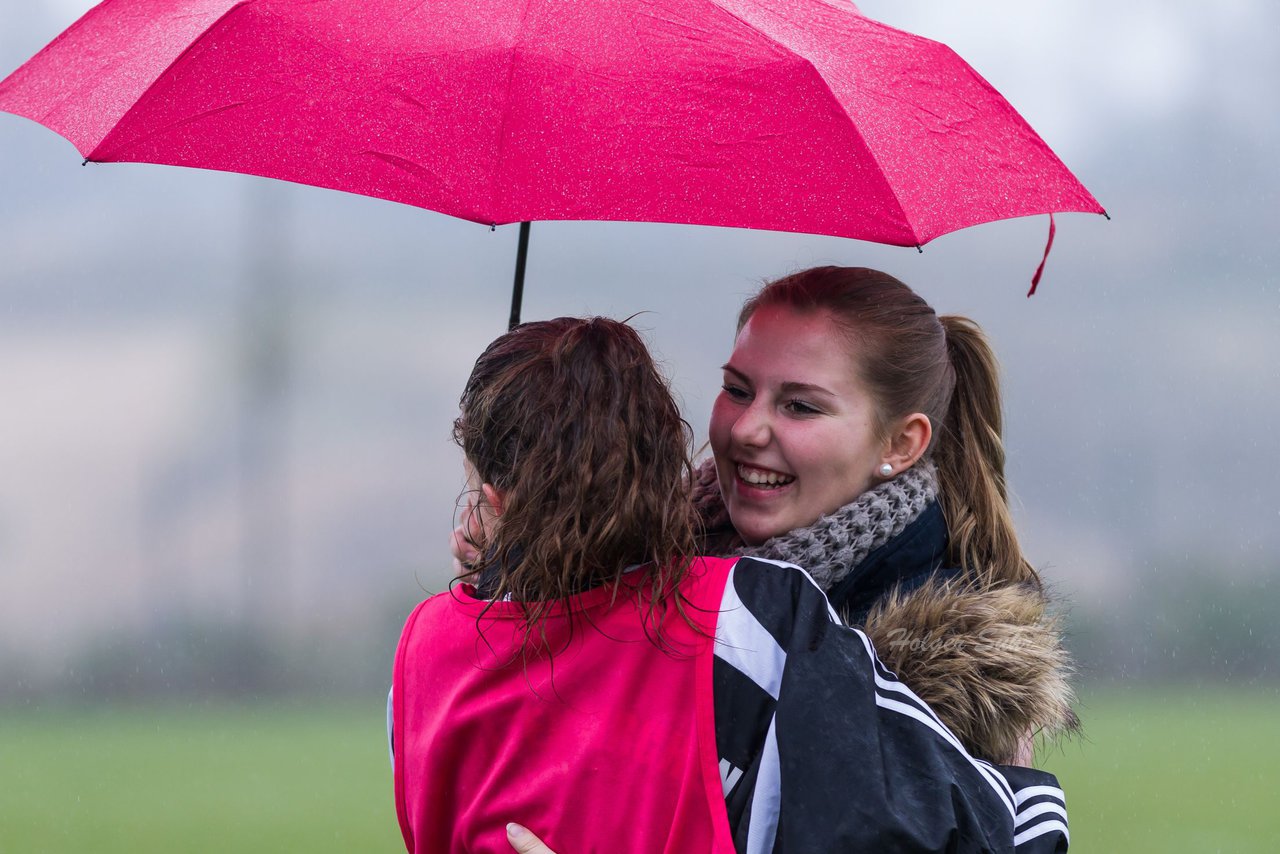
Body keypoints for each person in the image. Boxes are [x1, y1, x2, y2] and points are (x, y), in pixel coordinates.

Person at [409, 313, 1069, 853]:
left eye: (801, 405)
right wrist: (518, 580)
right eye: (736, 389)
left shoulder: (767, 618)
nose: (749, 431)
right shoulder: (739, 604)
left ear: (900, 442)